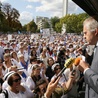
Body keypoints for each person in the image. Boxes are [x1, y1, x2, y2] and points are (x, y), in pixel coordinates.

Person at [78, 17, 98, 98]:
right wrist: (84, 53)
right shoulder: (95, 47)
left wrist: (86, 70)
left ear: (95, 31)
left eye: (85, 33)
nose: (84, 36)